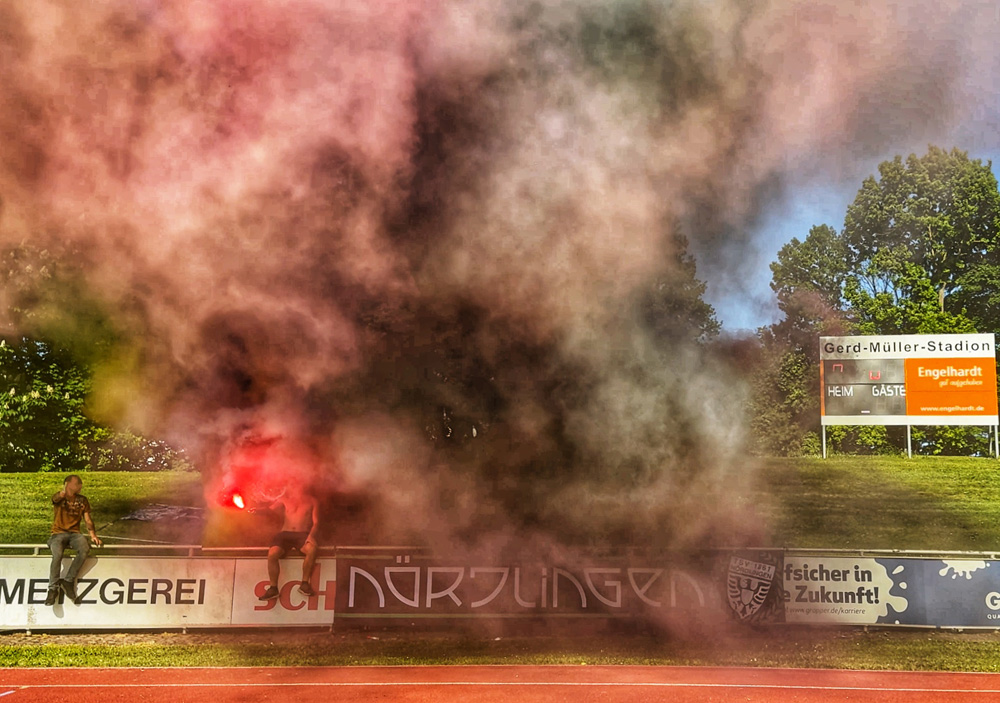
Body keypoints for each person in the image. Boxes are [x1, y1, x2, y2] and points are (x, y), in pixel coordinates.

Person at [253, 483, 320, 600]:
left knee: (312, 550)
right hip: (285, 534)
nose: (295, 486)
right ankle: (273, 588)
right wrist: (257, 511)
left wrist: (311, 536)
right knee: (272, 554)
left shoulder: (312, 501)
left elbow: (316, 522)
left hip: (302, 534)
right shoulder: (284, 499)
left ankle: (304, 584)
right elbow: (270, 509)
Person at [46, 474, 102, 606]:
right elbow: (55, 499)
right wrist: (62, 493)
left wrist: (93, 534)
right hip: (58, 534)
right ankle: (52, 588)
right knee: (57, 555)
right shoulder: (60, 497)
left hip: (75, 534)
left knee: (84, 549)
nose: (80, 487)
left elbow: (87, 519)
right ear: (69, 484)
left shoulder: (83, 500)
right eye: (77, 484)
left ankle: (68, 581)